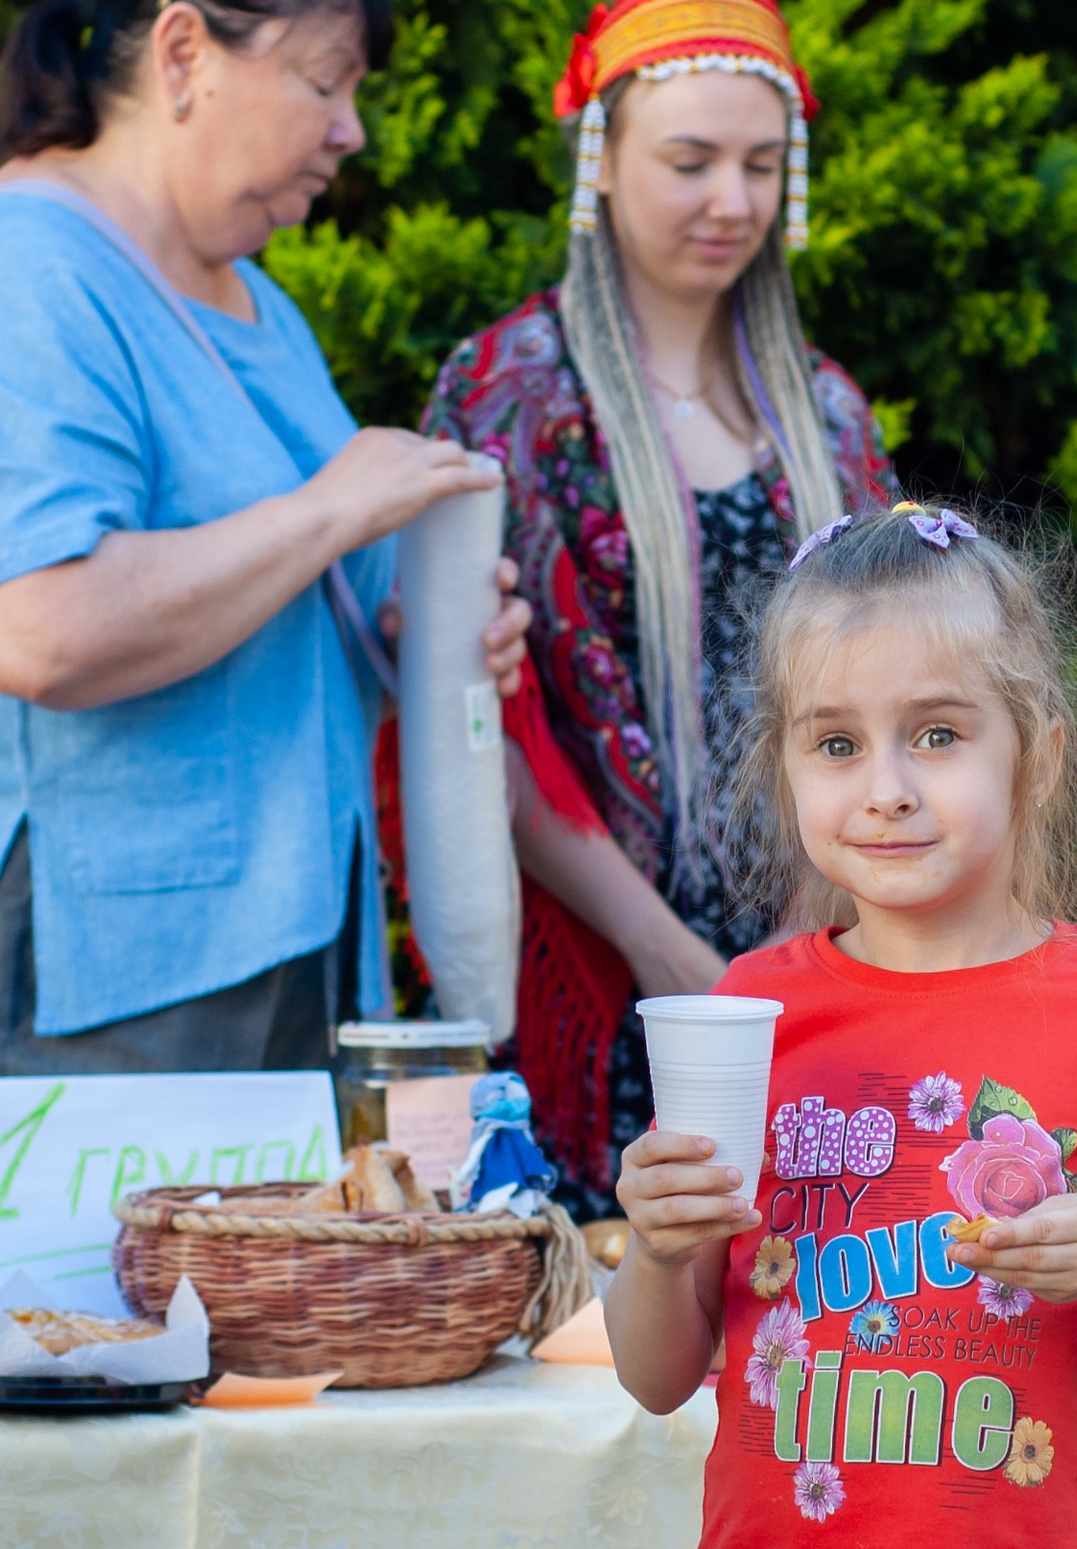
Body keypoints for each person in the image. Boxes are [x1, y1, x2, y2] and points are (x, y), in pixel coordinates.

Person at [0, 0, 530, 1221]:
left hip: (270, 958)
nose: (351, 131)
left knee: (244, 1387)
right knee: (42, 1374)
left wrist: (413, 626)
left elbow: (274, 598)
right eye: (325, 81)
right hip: (64, 973)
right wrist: (329, 513)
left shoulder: (257, 301)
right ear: (184, 51)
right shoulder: (12, 273)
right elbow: (38, 626)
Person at [605, 506, 1077, 1549]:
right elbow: (655, 1372)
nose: (885, 789)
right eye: (835, 744)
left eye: (936, 735)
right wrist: (652, 1248)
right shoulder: (746, 1013)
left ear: (1036, 755)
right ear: (783, 764)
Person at [409, 0, 895, 1220]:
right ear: (603, 158)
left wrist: (811, 936)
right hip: (598, 960)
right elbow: (478, 723)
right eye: (689, 161)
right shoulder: (509, 391)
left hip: (820, 962)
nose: (729, 199)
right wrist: (669, 956)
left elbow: (900, 681)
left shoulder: (827, 414)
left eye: (760, 163)